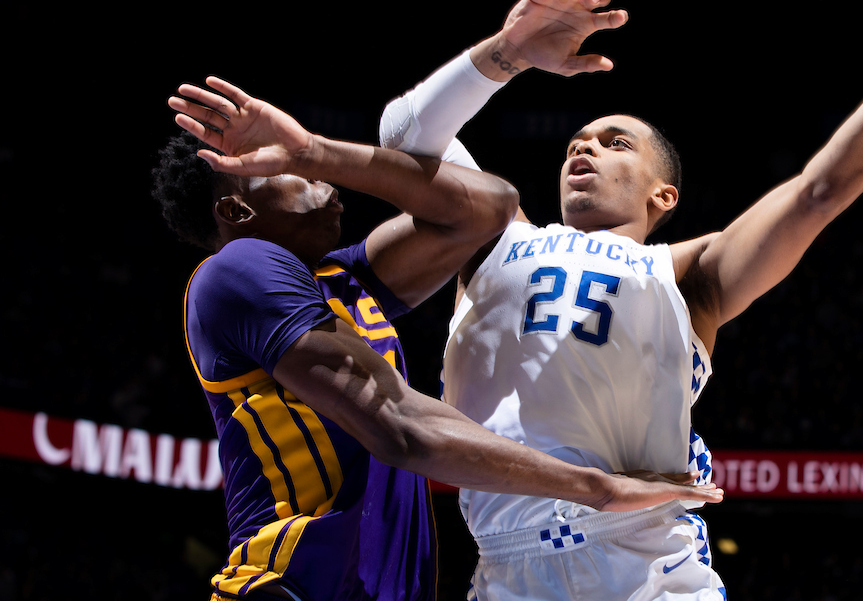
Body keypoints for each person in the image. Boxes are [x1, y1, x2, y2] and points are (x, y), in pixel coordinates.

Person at [378, 0, 863, 600]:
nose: (584, 148)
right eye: (575, 143)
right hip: (504, 570)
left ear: (663, 197)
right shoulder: (495, 234)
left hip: (647, 573)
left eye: (614, 143)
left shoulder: (687, 273)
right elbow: (401, 133)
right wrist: (505, 56)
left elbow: (822, 189)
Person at [151, 77, 723, 601]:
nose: (316, 178)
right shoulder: (237, 268)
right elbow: (401, 425)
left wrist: (510, 52)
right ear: (235, 207)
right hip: (289, 583)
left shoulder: (341, 281)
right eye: (285, 169)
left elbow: (487, 207)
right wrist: (598, 488)